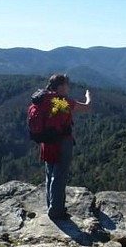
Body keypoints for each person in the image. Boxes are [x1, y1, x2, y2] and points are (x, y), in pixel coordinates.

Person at [39, 73, 91, 219]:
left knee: (50, 174)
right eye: (67, 84)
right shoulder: (60, 101)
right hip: (61, 141)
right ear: (61, 86)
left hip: (46, 142)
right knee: (59, 175)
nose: (69, 87)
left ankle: (51, 205)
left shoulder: (43, 98)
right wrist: (88, 96)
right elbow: (86, 107)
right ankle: (56, 211)